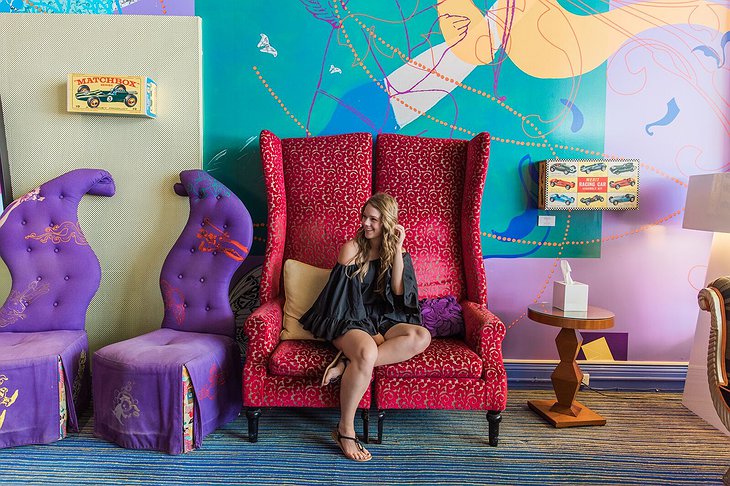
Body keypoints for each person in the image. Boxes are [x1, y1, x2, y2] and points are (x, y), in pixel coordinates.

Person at [300, 192, 432, 462]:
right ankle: (345, 430)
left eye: (374, 219)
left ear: (388, 222)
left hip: (380, 318)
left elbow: (397, 292)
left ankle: (346, 365)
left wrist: (396, 248)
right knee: (367, 350)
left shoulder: (397, 251)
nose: (366, 224)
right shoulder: (351, 249)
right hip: (345, 317)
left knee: (420, 335)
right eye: (364, 217)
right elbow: (342, 300)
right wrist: (369, 333)